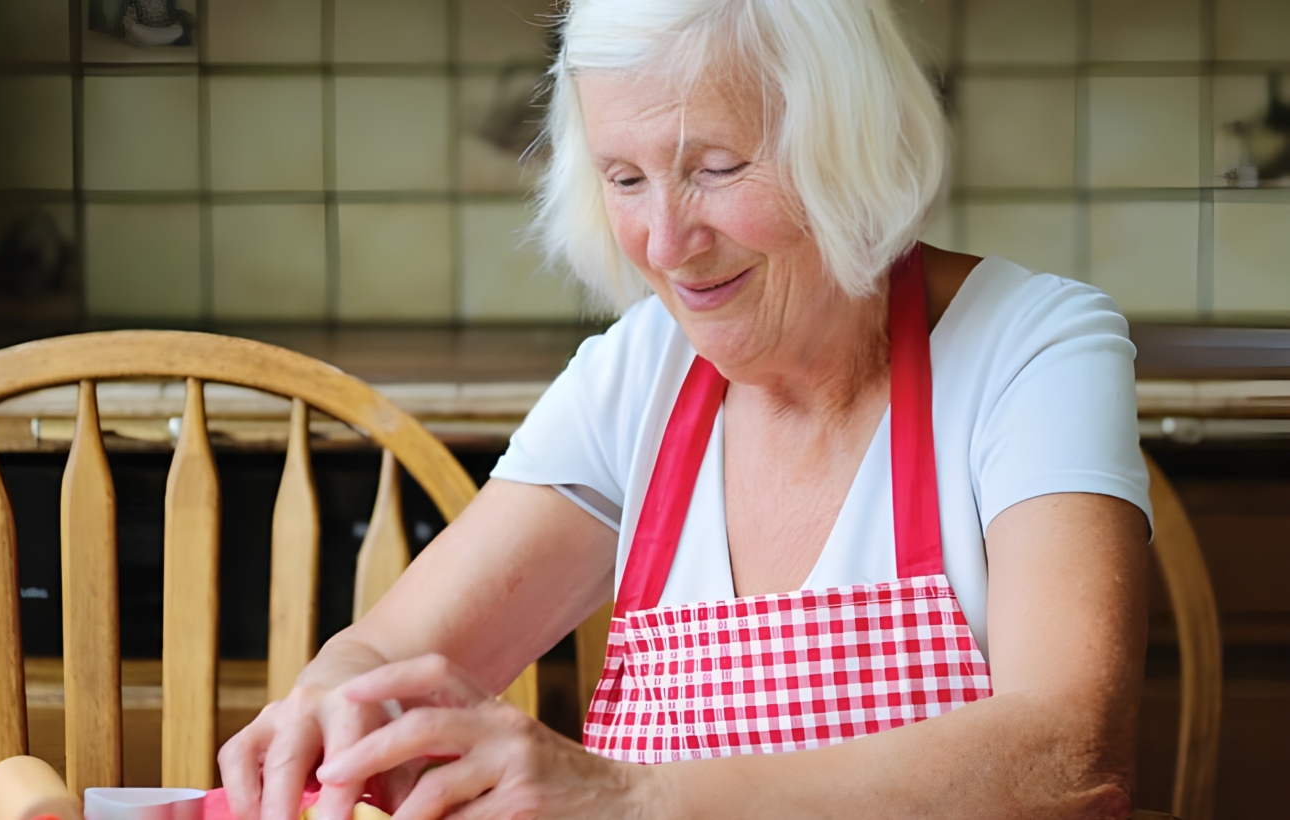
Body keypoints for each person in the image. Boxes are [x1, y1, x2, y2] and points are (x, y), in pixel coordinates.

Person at [220, 1, 1153, 817]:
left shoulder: (1032, 347)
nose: (666, 244)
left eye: (714, 167)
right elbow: (381, 653)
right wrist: (333, 702)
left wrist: (633, 800)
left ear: (849, 141)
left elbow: (1068, 758)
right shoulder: (635, 377)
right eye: (625, 179)